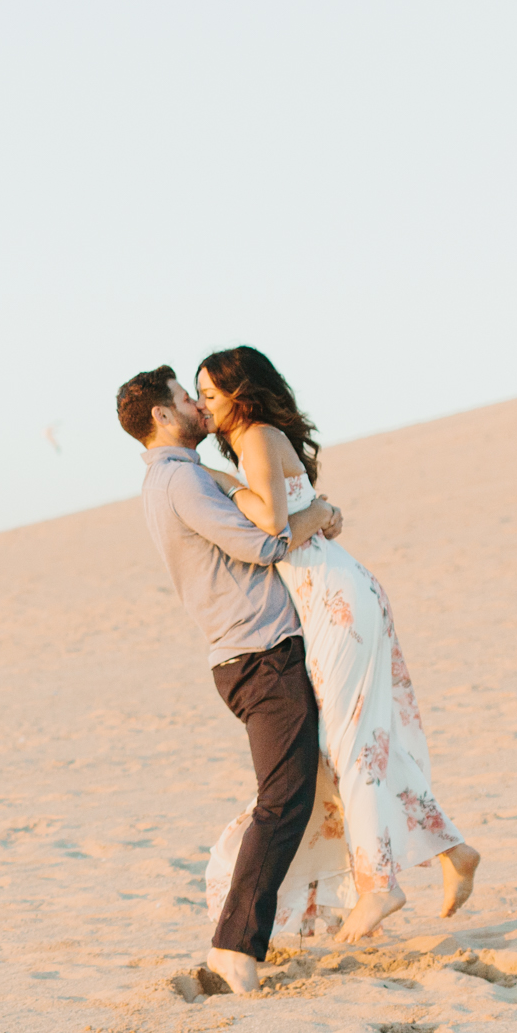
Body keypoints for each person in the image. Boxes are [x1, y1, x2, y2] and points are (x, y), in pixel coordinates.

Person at [193, 346, 481, 946]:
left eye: (211, 396)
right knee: (359, 736)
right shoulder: (262, 437)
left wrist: (223, 486)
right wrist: (315, 508)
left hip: (332, 597)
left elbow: (273, 525)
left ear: (240, 394)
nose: (202, 406)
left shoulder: (254, 437)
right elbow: (298, 514)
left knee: (350, 741)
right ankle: (452, 849)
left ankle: (381, 884)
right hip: (335, 587)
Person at [120, 364, 341, 994]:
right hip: (259, 655)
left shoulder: (176, 479)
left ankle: (281, 924)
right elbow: (265, 544)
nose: (197, 405)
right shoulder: (180, 482)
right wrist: (319, 512)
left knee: (298, 791)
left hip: (255, 652)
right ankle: (233, 948)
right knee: (284, 800)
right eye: (185, 398)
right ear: (162, 415)